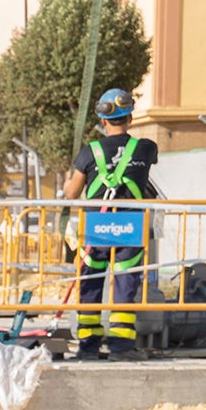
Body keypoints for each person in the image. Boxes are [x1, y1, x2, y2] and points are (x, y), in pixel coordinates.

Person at [61, 87, 160, 361]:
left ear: (103, 120)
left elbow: (71, 193)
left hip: (96, 224)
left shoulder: (89, 152)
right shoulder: (146, 148)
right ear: (130, 117)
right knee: (125, 284)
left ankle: (88, 347)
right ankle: (121, 347)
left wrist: (71, 178)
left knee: (91, 282)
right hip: (130, 224)